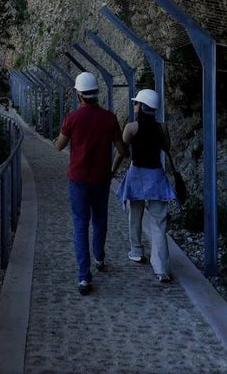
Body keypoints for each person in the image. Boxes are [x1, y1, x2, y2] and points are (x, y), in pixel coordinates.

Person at [54, 71, 126, 295]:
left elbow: (59, 146)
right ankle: (99, 257)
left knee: (80, 224)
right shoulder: (109, 118)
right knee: (100, 219)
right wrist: (112, 169)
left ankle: (84, 276)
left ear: (79, 95)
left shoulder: (72, 118)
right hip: (101, 178)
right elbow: (122, 149)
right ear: (96, 93)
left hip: (78, 178)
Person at [111, 88, 177, 283]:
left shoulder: (131, 128)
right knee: (159, 223)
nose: (134, 105)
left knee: (135, 216)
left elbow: (121, 151)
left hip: (137, 175)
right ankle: (162, 268)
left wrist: (112, 171)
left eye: (136, 103)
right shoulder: (162, 127)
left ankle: (137, 251)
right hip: (156, 177)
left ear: (141, 106)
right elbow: (167, 148)